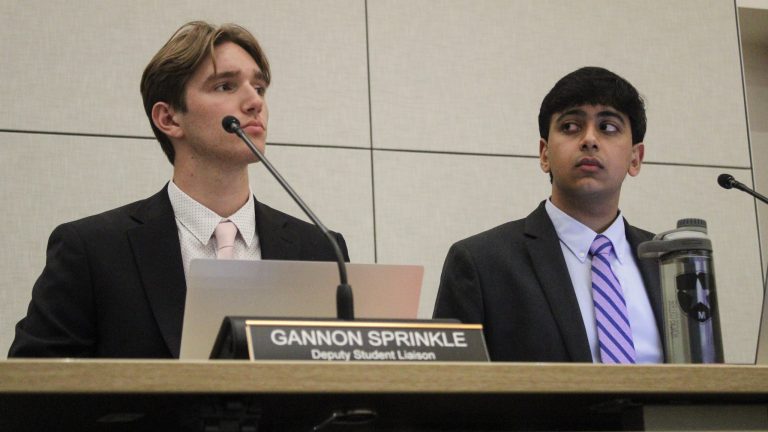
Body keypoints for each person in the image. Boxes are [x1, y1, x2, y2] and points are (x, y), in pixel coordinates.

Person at [9, 21, 349, 358]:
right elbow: (33, 383)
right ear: (169, 119)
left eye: (258, 87)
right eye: (225, 86)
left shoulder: (321, 251)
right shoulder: (92, 251)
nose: (254, 102)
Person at [434, 67, 663, 363]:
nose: (589, 140)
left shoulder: (669, 263)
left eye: (608, 127)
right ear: (544, 155)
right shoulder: (481, 263)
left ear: (635, 158)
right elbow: (449, 386)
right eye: (570, 126)